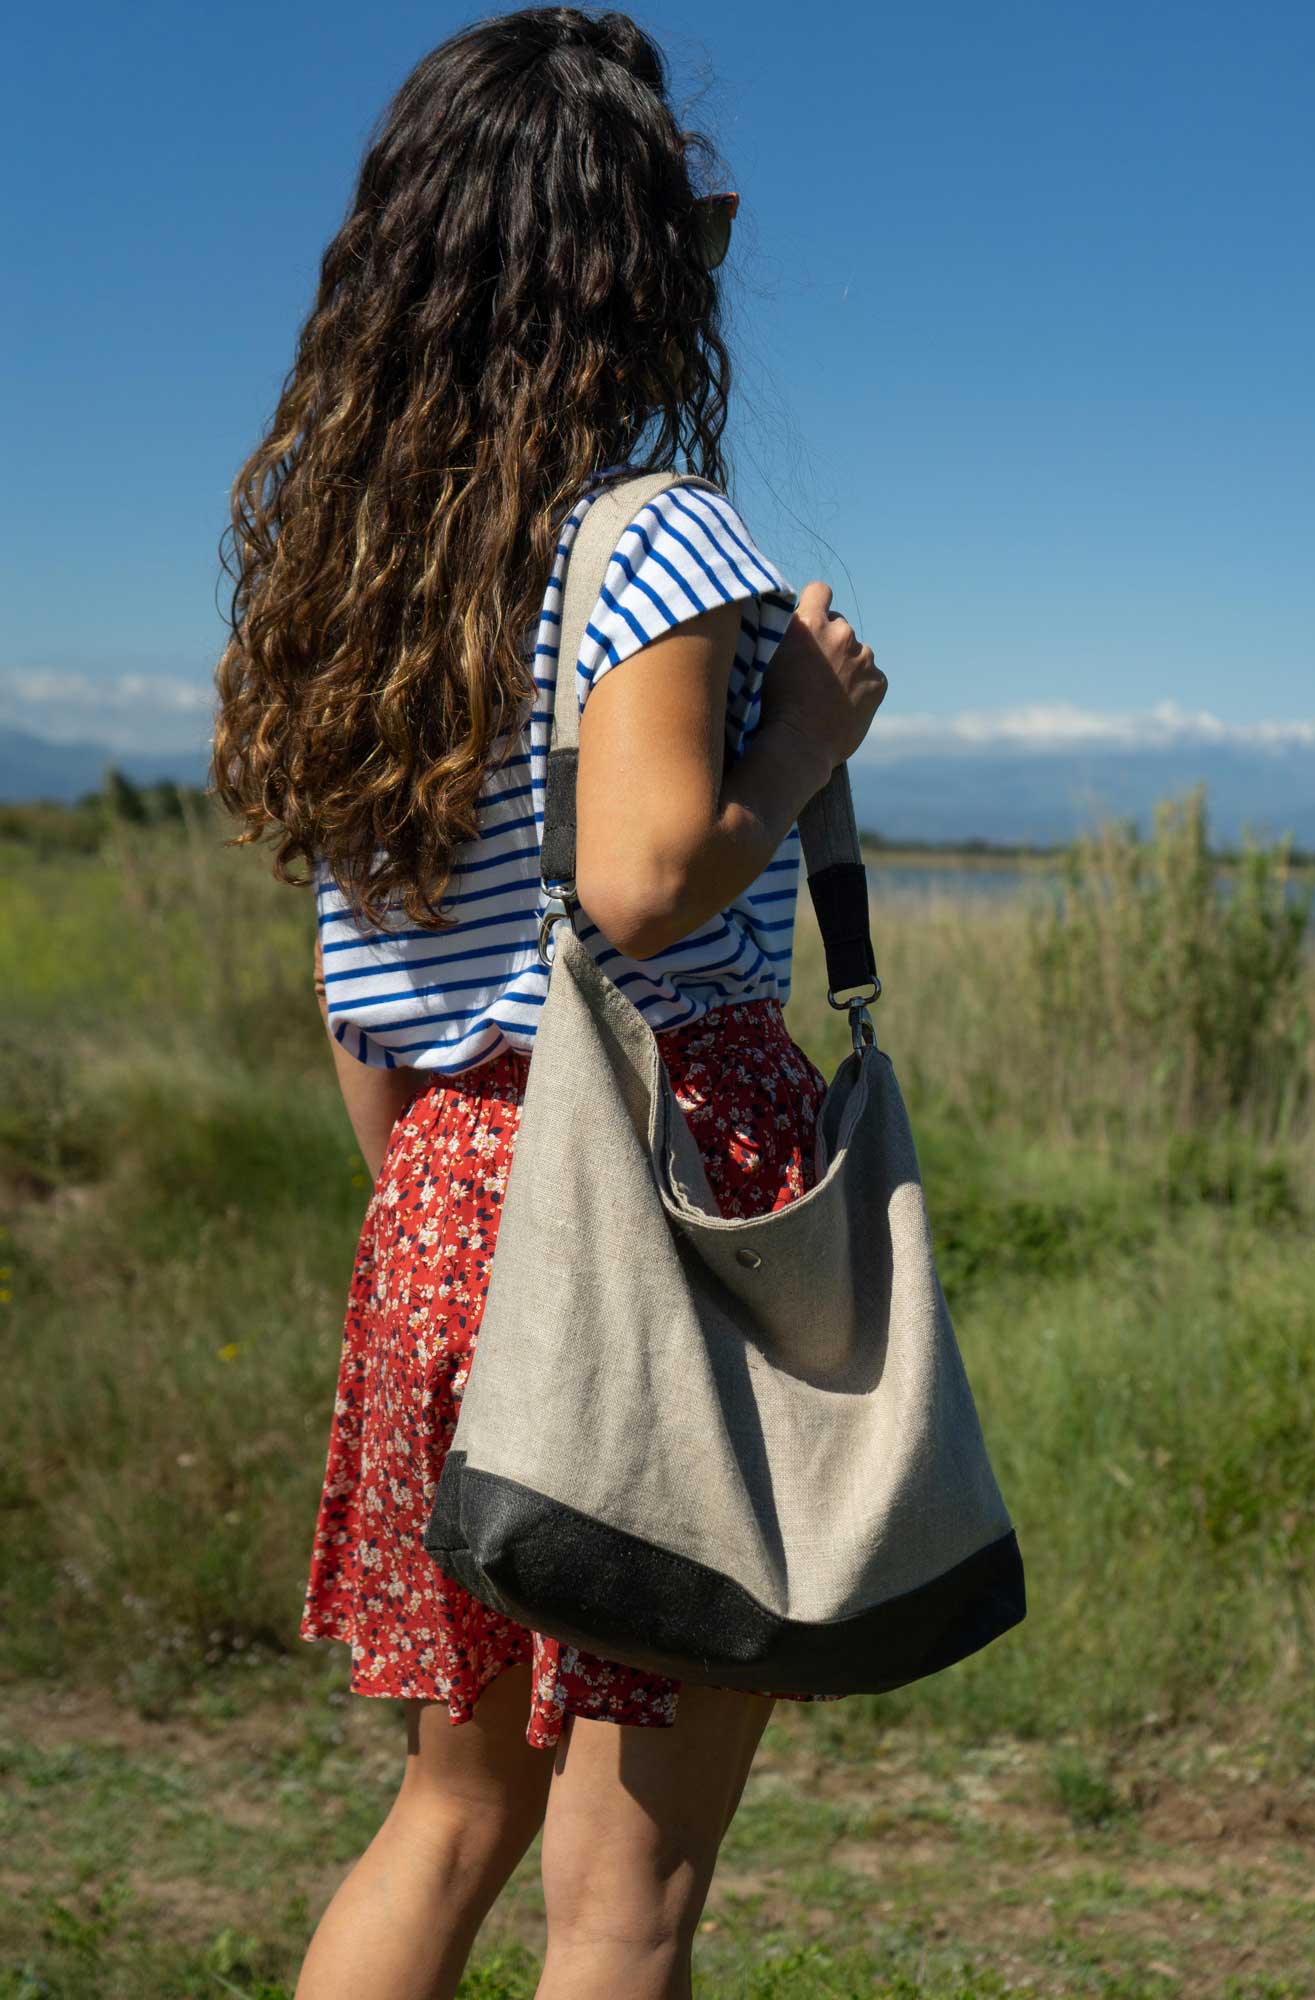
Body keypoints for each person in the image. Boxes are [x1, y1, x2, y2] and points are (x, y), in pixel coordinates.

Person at [208, 10, 887, 1997]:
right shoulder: (654, 535)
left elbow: (365, 1003)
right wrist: (804, 740)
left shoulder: (366, 571)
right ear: (622, 267)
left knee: (450, 1815)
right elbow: (643, 874)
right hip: (645, 1202)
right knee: (624, 1895)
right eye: (695, 214)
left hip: (433, 1197)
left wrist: (446, 1199)